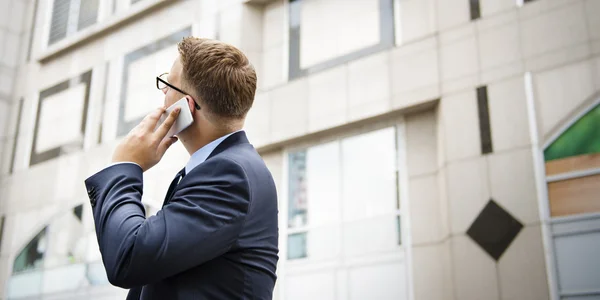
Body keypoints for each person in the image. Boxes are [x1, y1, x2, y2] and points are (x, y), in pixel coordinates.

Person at [84, 37, 279, 299]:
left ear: (186, 106)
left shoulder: (229, 175)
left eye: (167, 85)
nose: (163, 94)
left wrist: (124, 166)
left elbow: (128, 256)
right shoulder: (222, 169)